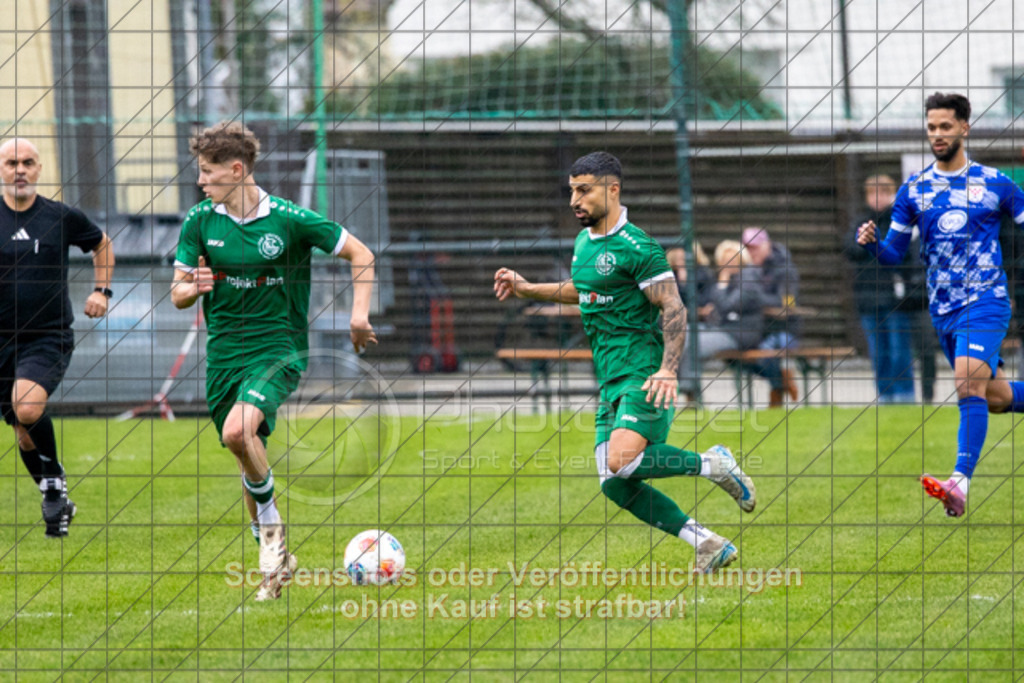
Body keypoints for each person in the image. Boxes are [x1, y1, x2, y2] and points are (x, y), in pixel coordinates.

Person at [494, 151, 756, 574]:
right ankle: (707, 543)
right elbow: (583, 289)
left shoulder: (639, 247)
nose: (574, 200)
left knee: (622, 460)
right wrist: (527, 289)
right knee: (614, 483)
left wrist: (668, 369)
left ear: (612, 190)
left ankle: (714, 464)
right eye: (571, 191)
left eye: (584, 190)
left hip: (643, 370)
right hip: (610, 376)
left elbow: (673, 305)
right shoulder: (584, 243)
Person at [171, 121, 378, 600]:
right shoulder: (199, 221)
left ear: (237, 169)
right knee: (247, 451)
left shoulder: (289, 219)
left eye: (207, 172)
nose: (201, 181)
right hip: (223, 356)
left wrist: (358, 315)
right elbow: (178, 290)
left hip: (277, 349)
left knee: (237, 433)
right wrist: (191, 290)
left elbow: (361, 254)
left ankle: (272, 539)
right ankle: (277, 565)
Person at [858, 92, 1024, 517]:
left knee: (967, 382)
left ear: (964, 128)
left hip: (986, 300)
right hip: (943, 308)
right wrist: (876, 246)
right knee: (995, 397)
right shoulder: (914, 189)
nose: (937, 134)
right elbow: (896, 254)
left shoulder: (996, 183)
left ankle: (959, 482)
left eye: (945, 126)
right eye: (931, 127)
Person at [0, 138, 114, 538]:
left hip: (46, 336)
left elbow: (101, 244)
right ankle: (54, 488)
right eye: (12, 162)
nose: (20, 170)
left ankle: (52, 488)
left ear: (40, 168)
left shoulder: (60, 216)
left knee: (27, 408)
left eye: (28, 162)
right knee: (21, 429)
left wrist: (102, 291)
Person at [843, 174, 916, 403]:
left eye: (883, 192)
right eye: (873, 193)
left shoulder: (900, 221)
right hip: (867, 300)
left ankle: (905, 396)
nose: (878, 198)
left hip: (896, 300)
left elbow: (908, 255)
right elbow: (850, 250)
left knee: (899, 352)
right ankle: (885, 397)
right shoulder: (861, 222)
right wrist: (865, 241)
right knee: (879, 353)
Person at [677, 240, 768, 399]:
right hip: (720, 328)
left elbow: (728, 305)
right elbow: (711, 302)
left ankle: (690, 390)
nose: (728, 264)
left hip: (740, 334)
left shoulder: (748, 279)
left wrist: (722, 285)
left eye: (732, 259)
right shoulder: (729, 278)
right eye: (725, 260)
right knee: (681, 333)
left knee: (693, 343)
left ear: (742, 259)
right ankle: (680, 385)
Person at [742, 227, 801, 407]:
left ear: (767, 245)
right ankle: (782, 380)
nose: (752, 252)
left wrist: (756, 297)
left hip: (785, 329)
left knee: (767, 351)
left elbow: (787, 304)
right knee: (738, 356)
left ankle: (777, 391)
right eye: (748, 248)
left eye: (755, 247)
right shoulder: (746, 270)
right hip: (755, 330)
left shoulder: (785, 269)